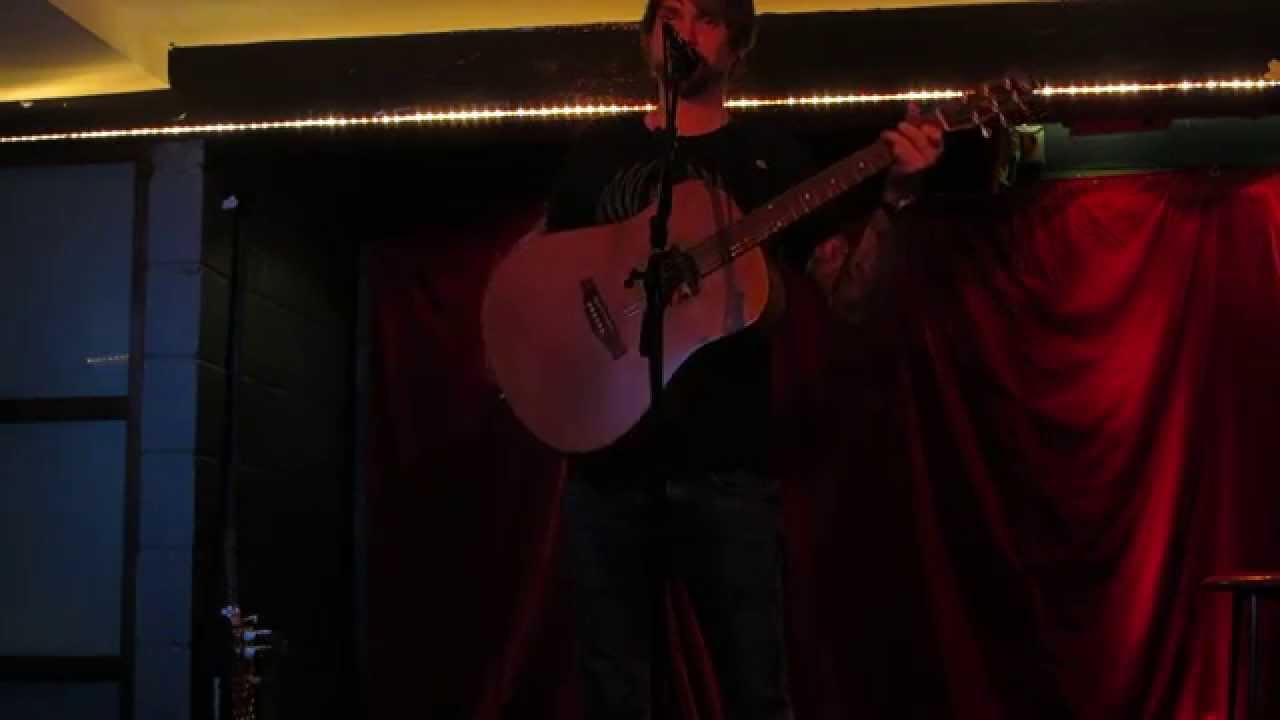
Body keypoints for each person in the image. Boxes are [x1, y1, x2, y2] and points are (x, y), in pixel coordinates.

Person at [542, 0, 943, 717]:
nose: (682, 29)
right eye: (669, 13)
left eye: (706, 17)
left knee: (757, 692)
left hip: (726, 468)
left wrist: (898, 195)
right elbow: (540, 281)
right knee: (613, 695)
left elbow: (848, 298)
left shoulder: (770, 158)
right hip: (605, 470)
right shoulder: (597, 152)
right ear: (646, 35)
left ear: (738, 49)